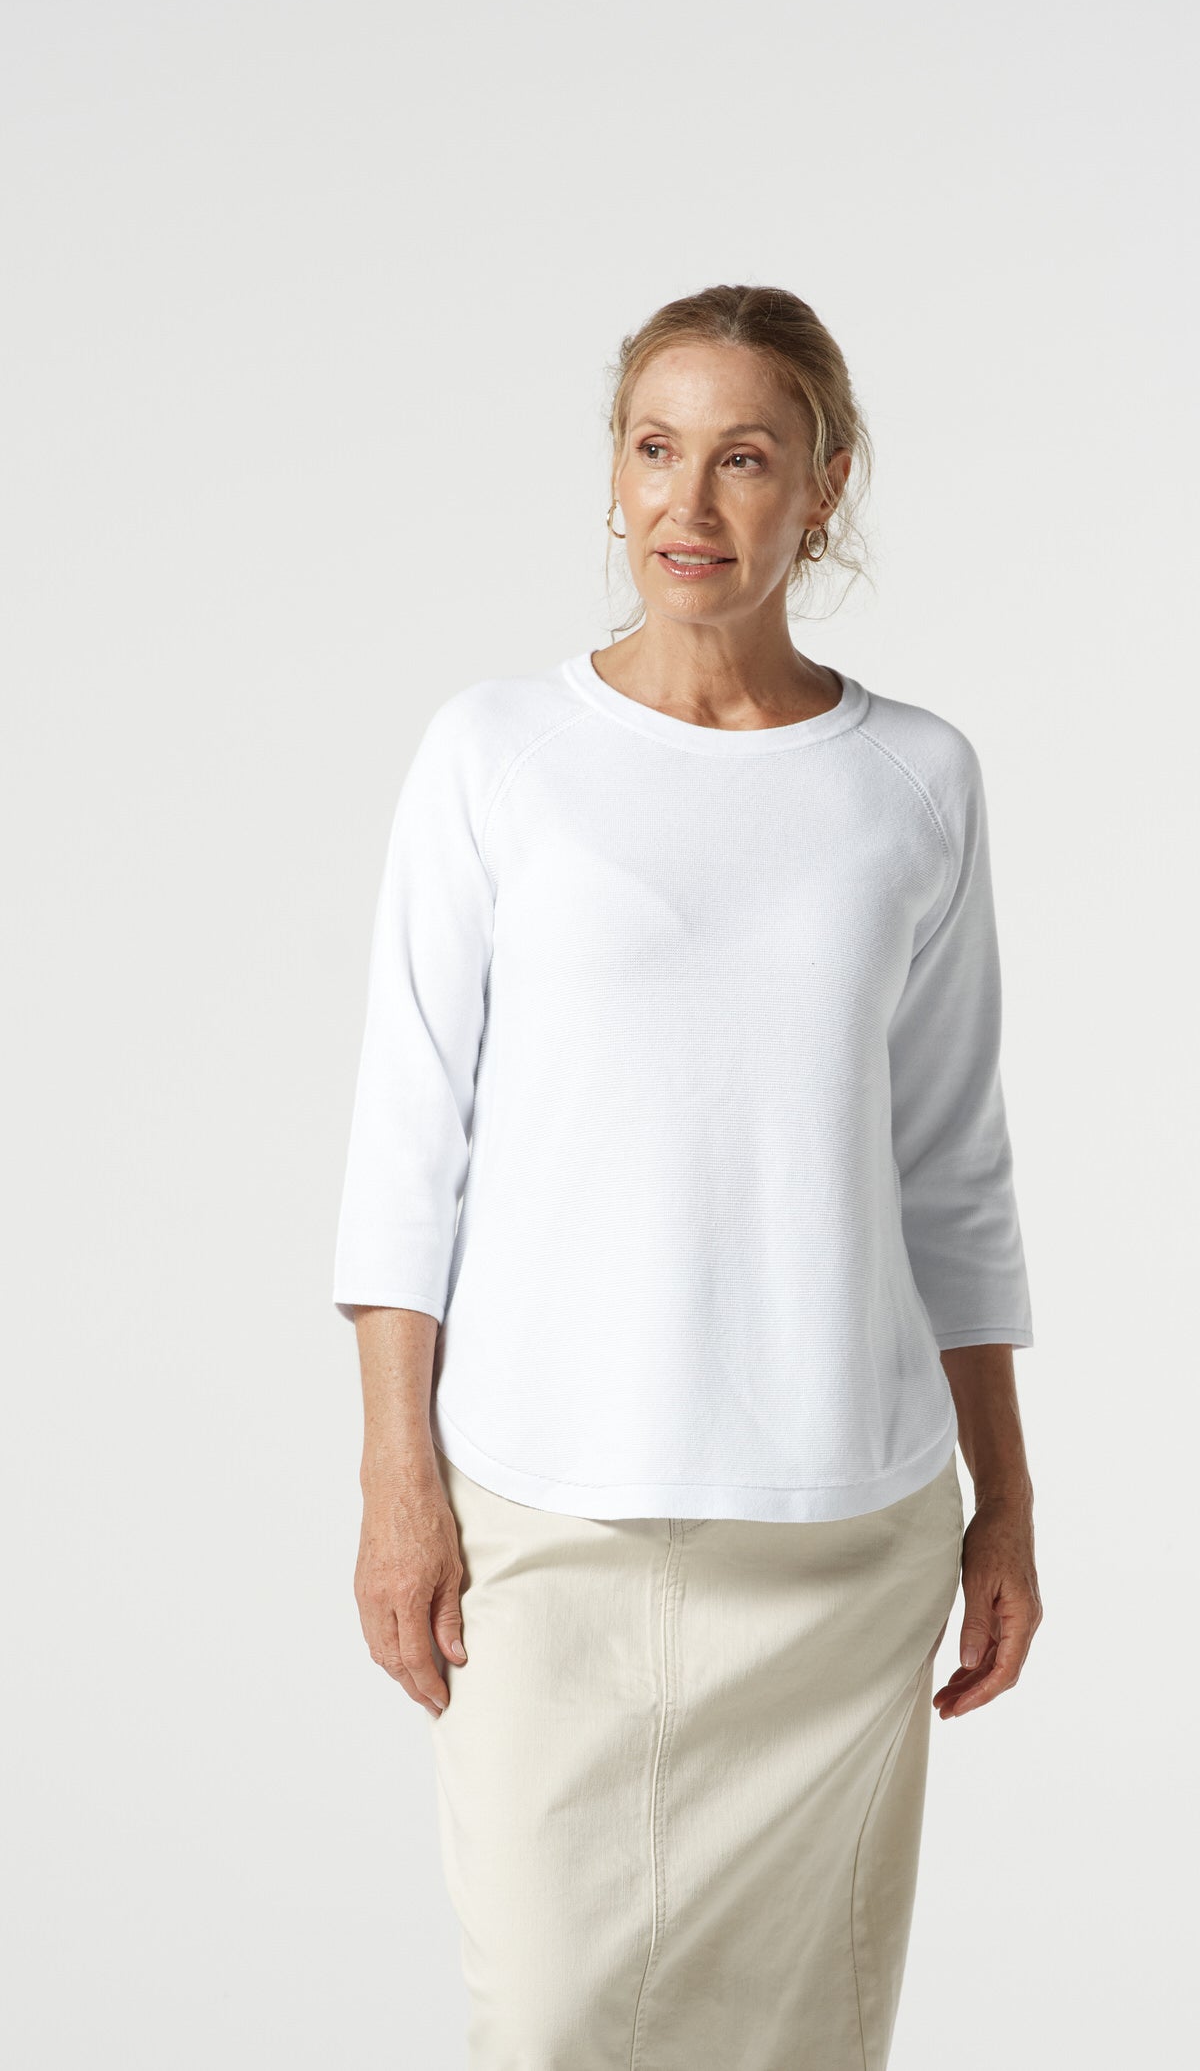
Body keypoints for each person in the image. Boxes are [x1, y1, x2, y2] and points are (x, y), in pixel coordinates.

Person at [332, 281, 1043, 2070]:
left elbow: (951, 1163)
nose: (690, 502)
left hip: (841, 1533)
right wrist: (398, 1481)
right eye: (655, 450)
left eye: (744, 457)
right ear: (613, 473)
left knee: (800, 2040)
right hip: (547, 1512)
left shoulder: (914, 780)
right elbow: (410, 1143)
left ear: (825, 482)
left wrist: (1008, 1501)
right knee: (553, 2022)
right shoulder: (496, 754)